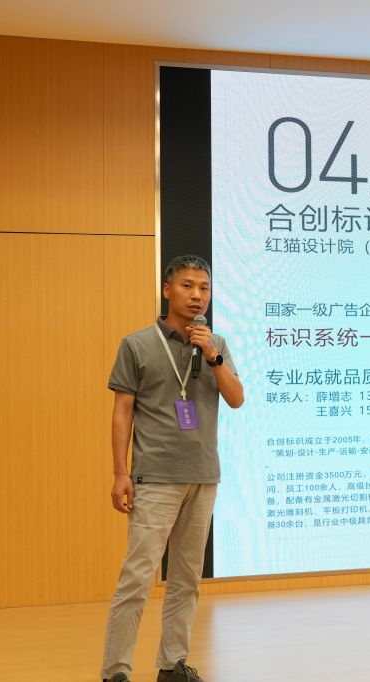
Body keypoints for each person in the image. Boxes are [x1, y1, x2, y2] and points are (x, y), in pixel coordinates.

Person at [101, 255, 244, 682]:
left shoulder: (216, 344)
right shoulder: (137, 344)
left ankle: (172, 664)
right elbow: (122, 412)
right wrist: (120, 473)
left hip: (203, 475)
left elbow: (236, 398)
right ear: (167, 290)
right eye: (187, 285)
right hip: (155, 477)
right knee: (137, 578)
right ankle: (115, 671)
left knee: (186, 579)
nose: (197, 295)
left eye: (204, 287)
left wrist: (212, 355)